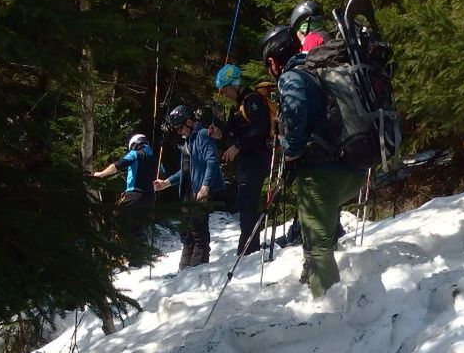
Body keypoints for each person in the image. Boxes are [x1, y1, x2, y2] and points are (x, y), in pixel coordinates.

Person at [260, 25, 365, 298]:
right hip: (353, 168)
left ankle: (327, 310)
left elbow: (295, 109)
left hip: (322, 172)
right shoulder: (320, 72)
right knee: (320, 234)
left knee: (318, 245)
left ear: (273, 61)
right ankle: (312, 284)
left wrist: (292, 148)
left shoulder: (292, 76)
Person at [154, 105, 225, 270]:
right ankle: (184, 271)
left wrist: (205, 186)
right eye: (176, 129)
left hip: (199, 191)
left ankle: (198, 270)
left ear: (189, 121)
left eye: (180, 127)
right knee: (187, 233)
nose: (179, 132)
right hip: (188, 192)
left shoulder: (202, 135)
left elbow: (212, 161)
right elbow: (186, 170)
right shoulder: (189, 141)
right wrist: (166, 183)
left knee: (198, 232)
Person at [213, 63, 271, 256]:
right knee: (245, 203)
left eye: (225, 89)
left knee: (248, 204)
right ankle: (247, 247)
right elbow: (235, 132)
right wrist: (220, 134)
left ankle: (248, 250)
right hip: (248, 161)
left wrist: (238, 145)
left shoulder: (252, 100)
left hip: (256, 160)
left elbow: (260, 128)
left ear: (234, 84)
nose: (224, 94)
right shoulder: (240, 105)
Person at [93, 133, 156, 240]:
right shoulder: (151, 156)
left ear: (135, 144)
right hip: (149, 197)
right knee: (137, 227)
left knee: (117, 217)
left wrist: (100, 174)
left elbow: (118, 165)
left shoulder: (135, 154)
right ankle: (138, 252)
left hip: (134, 195)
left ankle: (122, 251)